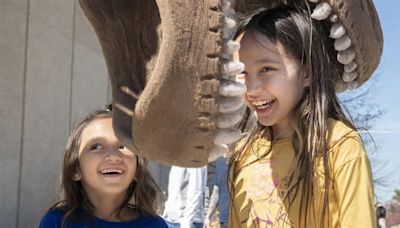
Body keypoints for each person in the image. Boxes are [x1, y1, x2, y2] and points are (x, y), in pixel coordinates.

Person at [229, 5, 376, 228]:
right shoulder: (242, 154)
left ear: (306, 73)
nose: (252, 88)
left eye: (267, 69)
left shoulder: (339, 145)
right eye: (242, 72)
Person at [39, 108, 167, 227]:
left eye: (123, 146)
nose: (114, 156)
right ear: (75, 169)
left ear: (137, 168)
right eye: (96, 147)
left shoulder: (156, 225)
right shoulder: (58, 222)